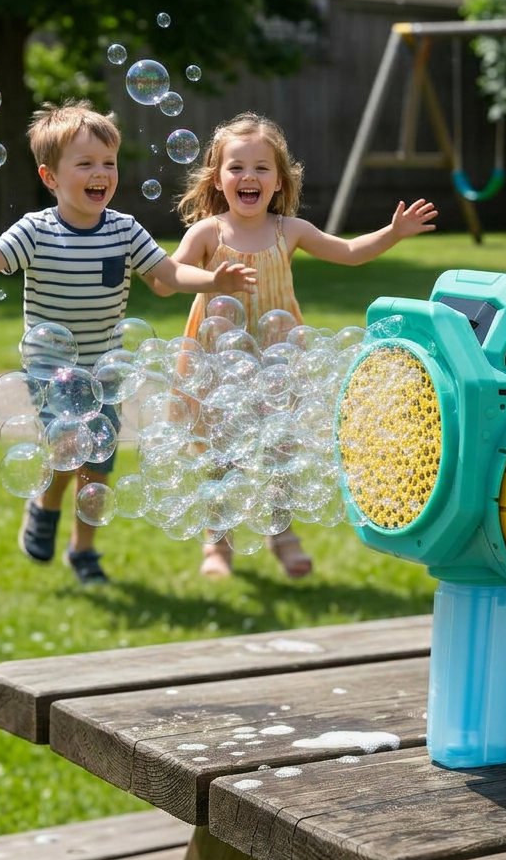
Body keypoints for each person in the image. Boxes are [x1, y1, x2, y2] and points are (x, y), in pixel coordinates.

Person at [0, 99, 258, 585]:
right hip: (50, 365)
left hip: (106, 367)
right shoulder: (35, 230)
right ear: (50, 177)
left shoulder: (124, 230)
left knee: (97, 460)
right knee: (68, 444)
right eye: (86, 163)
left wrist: (210, 281)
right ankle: (45, 505)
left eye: (109, 163)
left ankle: (83, 549)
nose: (102, 173)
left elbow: (167, 272)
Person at [172, 111, 437, 579]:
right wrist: (212, 278)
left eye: (260, 168)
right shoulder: (207, 233)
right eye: (236, 167)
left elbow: (349, 252)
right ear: (217, 177)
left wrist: (392, 234)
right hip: (217, 358)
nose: (248, 176)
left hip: (277, 357)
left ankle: (282, 533)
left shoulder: (288, 230)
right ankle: (217, 543)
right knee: (219, 454)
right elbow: (170, 276)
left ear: (278, 181)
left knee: (279, 450)